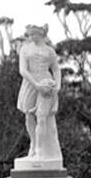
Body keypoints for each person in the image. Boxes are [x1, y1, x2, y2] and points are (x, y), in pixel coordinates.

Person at [17, 24, 61, 161]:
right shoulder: (25, 49)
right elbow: (23, 70)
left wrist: (57, 86)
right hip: (31, 84)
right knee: (29, 115)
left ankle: (40, 151)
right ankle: (33, 144)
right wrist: (36, 85)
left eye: (33, 34)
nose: (30, 37)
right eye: (29, 35)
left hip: (46, 84)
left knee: (42, 117)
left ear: (41, 35)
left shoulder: (49, 51)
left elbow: (56, 69)